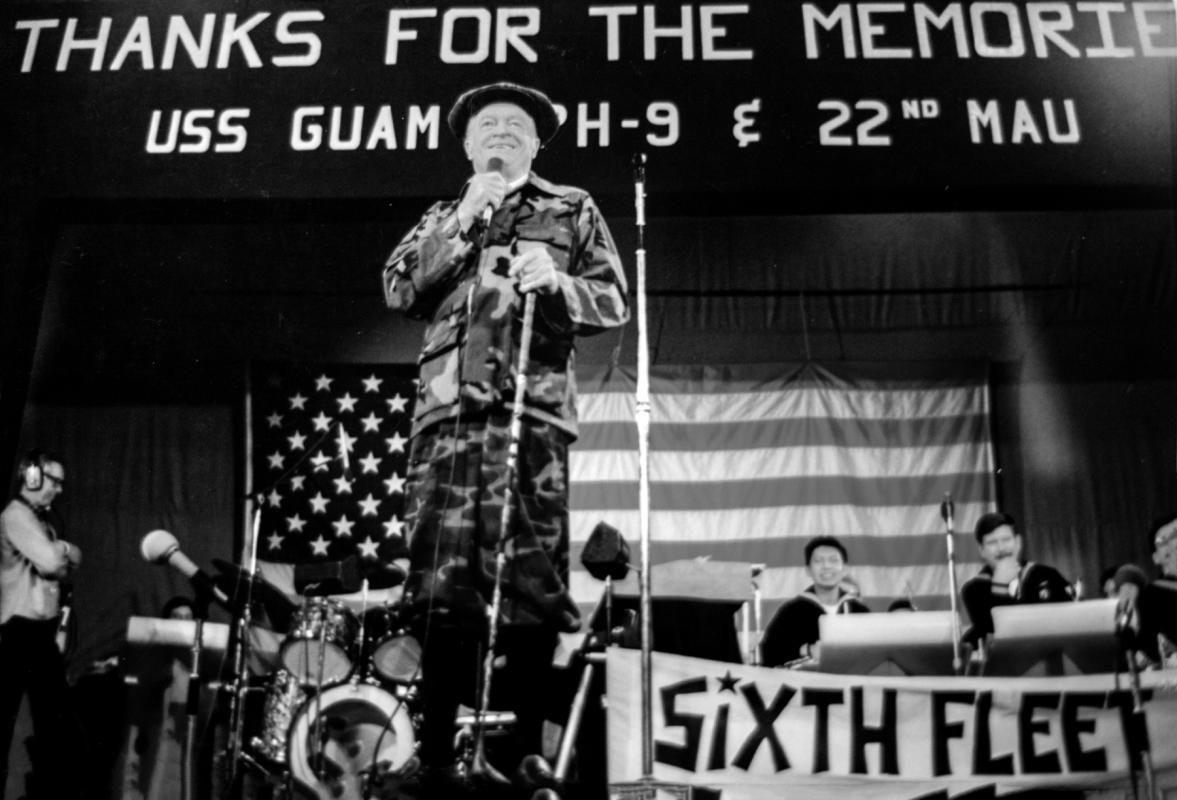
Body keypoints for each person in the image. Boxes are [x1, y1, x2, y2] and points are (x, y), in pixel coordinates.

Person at [381, 81, 629, 788]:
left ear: (535, 142)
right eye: (487, 125)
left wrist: (556, 280)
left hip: (532, 416)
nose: (500, 133)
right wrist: (460, 221)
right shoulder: (441, 214)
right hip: (448, 420)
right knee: (437, 582)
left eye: (515, 125)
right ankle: (433, 757)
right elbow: (400, 291)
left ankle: (519, 750)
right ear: (466, 144)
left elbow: (611, 300)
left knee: (531, 582)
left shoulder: (570, 206)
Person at [0, 450, 83, 798]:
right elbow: (54, 564)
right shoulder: (16, 516)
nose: (59, 490)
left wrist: (61, 552)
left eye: (62, 483)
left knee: (53, 720)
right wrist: (62, 551)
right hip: (19, 630)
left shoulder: (42, 524)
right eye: (54, 481)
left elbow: (73, 563)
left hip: (39, 631)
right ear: (30, 476)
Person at [959, 511, 1074, 649]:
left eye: (1006, 540)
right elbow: (991, 631)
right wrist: (1000, 586)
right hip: (1000, 665)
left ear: (1018, 542)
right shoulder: (973, 589)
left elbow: (1065, 621)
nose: (1001, 548)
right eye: (992, 543)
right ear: (982, 551)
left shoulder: (1046, 575)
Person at [760, 536, 869, 667]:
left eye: (833, 560)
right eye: (818, 561)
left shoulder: (859, 611)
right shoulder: (792, 612)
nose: (826, 566)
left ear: (845, 569)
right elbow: (769, 654)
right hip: (808, 685)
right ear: (808, 570)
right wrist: (807, 650)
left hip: (851, 684)